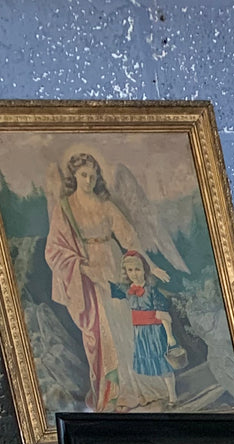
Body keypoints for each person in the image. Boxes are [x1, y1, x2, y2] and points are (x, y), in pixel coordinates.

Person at [42, 150, 170, 410]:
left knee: (127, 328)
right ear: (75, 176)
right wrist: (82, 267)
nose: (89, 180)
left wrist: (152, 266)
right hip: (89, 276)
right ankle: (114, 392)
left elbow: (130, 240)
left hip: (114, 266)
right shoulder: (64, 208)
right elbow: (54, 249)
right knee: (104, 334)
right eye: (84, 175)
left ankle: (139, 387)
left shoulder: (106, 206)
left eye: (93, 175)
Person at [108, 251, 178, 406]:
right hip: (140, 333)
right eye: (130, 270)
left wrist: (169, 335)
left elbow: (162, 313)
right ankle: (159, 392)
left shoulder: (151, 290)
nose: (134, 274)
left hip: (154, 330)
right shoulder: (127, 290)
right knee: (152, 364)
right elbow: (108, 286)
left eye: (137, 269)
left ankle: (173, 396)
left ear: (145, 270)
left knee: (163, 363)